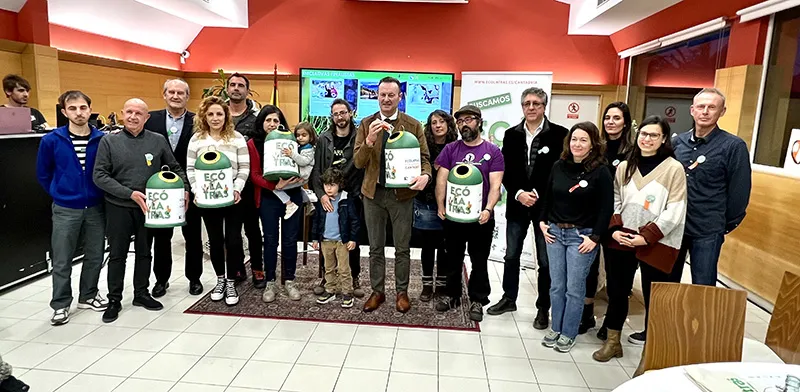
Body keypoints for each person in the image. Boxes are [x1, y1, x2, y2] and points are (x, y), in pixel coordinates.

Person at [593, 115, 687, 362]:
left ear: (664, 139)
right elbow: (614, 199)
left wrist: (646, 237)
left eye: (654, 135)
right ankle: (613, 342)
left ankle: (650, 354)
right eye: (644, 134)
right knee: (617, 293)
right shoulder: (625, 166)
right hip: (622, 238)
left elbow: (676, 209)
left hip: (655, 242)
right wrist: (614, 230)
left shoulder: (673, 169)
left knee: (654, 297)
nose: (647, 139)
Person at [93, 98, 189, 323]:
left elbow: (175, 167)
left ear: (147, 118)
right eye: (129, 112)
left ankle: (141, 293)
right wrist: (129, 194)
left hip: (150, 207)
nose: (133, 117)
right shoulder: (109, 141)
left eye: (138, 113)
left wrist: (184, 188)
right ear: (122, 113)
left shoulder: (157, 140)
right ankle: (114, 299)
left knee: (145, 252)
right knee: (117, 254)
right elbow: (99, 175)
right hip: (119, 206)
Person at [488, 87, 569, 330]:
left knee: (545, 260)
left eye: (536, 103)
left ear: (544, 106)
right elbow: (506, 170)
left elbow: (562, 172)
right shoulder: (511, 135)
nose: (531, 107)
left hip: (547, 209)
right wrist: (519, 193)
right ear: (522, 107)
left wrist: (539, 195)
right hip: (518, 204)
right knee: (511, 255)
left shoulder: (560, 134)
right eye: (527, 103)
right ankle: (509, 298)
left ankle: (543, 307)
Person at [354, 76, 432, 314]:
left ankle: (401, 292)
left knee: (402, 247)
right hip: (373, 194)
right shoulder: (366, 124)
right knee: (375, 247)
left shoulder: (413, 125)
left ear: (400, 97)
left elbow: (425, 159)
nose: (386, 99)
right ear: (377, 97)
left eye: (391, 95)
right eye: (382, 95)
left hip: (402, 195)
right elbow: (358, 162)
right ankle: (377, 291)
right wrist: (369, 141)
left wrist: (426, 176)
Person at [538, 122, 613, 353]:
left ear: (593, 144)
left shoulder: (600, 171)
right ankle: (556, 328)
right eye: (574, 139)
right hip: (554, 233)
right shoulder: (558, 166)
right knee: (556, 286)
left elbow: (606, 208)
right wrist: (542, 222)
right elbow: (548, 196)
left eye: (583, 140)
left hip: (582, 237)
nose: (577, 144)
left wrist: (595, 237)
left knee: (574, 288)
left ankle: (568, 333)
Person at [36, 90, 108, 326]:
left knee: (95, 254)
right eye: (73, 108)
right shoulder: (51, 140)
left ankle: (88, 295)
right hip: (66, 208)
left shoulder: (102, 139)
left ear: (90, 110)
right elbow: (43, 174)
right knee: (62, 258)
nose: (79, 113)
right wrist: (60, 192)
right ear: (64, 112)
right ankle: (60, 303)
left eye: (83, 108)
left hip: (96, 206)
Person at [671, 88, 751, 287]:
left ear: (722, 112)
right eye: (701, 107)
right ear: (692, 110)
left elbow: (739, 191)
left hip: (707, 229)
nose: (705, 112)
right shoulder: (677, 143)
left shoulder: (733, 146)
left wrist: (725, 224)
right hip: (674, 225)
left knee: (703, 286)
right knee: (667, 285)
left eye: (712, 107)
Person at [434, 105, 504, 322]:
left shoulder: (493, 152)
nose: (464, 124)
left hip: (480, 218)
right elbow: (441, 179)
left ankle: (477, 299)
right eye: (460, 121)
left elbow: (496, 186)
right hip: (454, 217)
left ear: (479, 122)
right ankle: (452, 295)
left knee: (479, 260)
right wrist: (440, 205)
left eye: (468, 120)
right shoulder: (450, 150)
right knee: (452, 258)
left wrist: (488, 209)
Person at [186, 96, 250, 306]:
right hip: (207, 200)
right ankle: (220, 280)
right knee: (215, 241)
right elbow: (190, 169)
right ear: (204, 116)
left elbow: (244, 167)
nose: (215, 118)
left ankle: (231, 281)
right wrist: (196, 191)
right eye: (211, 114)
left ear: (226, 116)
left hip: (233, 199)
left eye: (219, 114)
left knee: (233, 241)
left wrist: (237, 188)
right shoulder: (196, 140)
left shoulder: (237, 138)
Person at [144, 79, 204, 297]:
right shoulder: (150, 119)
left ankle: (194, 278)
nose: (176, 96)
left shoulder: (198, 121)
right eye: (171, 92)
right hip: (161, 188)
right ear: (164, 94)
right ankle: (161, 280)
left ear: (187, 96)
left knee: (193, 237)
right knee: (161, 238)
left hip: (191, 186)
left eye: (181, 93)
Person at [585, 102, 636, 339]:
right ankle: (586, 313)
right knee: (589, 268)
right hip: (593, 216)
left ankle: (611, 323)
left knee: (617, 276)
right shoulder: (597, 149)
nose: (611, 122)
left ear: (625, 122)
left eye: (616, 118)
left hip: (619, 220)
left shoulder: (633, 151)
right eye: (607, 118)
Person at [246, 105, 304, 303]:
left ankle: (290, 280)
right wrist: (274, 185)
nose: (272, 124)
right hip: (269, 197)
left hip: (293, 195)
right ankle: (270, 281)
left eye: (276, 120)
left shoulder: (290, 140)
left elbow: (301, 163)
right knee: (270, 240)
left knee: (290, 240)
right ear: (261, 122)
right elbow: (254, 175)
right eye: (268, 120)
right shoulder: (253, 143)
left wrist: (300, 178)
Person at [310, 98, 366, 298]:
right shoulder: (323, 139)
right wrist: (321, 195)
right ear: (332, 117)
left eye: (343, 112)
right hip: (328, 196)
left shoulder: (360, 136)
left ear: (350, 113)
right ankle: (327, 279)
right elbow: (317, 170)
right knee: (327, 238)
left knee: (351, 238)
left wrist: (359, 194)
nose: (340, 117)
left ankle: (354, 277)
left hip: (352, 196)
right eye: (336, 114)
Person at [416, 109, 457, 301]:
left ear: (448, 124)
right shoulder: (423, 145)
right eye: (434, 122)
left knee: (444, 246)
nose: (438, 125)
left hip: (450, 203)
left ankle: (441, 284)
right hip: (426, 201)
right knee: (427, 246)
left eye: (441, 121)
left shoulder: (456, 146)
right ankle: (426, 285)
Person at [229, 72, 262, 283]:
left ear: (247, 91)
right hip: (225, 184)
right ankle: (238, 267)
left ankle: (258, 268)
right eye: (232, 84)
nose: (236, 88)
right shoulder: (219, 115)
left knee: (252, 229)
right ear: (227, 89)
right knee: (232, 232)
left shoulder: (256, 118)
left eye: (240, 85)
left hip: (250, 184)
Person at [311, 168, 360, 308]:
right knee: (328, 268)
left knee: (344, 268)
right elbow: (316, 221)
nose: (328, 188)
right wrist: (315, 238)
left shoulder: (346, 200)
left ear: (340, 184)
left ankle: (347, 292)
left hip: (341, 242)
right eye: (326, 185)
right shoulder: (322, 201)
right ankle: (330, 290)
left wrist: (353, 239)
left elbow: (355, 221)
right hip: (326, 241)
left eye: (332, 185)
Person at [275, 122, 316, 219]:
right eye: (298, 135)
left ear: (310, 137)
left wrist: (292, 154)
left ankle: (289, 204)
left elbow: (303, 161)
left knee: (276, 188)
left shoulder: (308, 149)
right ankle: (309, 203)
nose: (300, 138)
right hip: (299, 175)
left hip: (301, 175)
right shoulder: (301, 147)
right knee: (299, 188)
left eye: (304, 135)